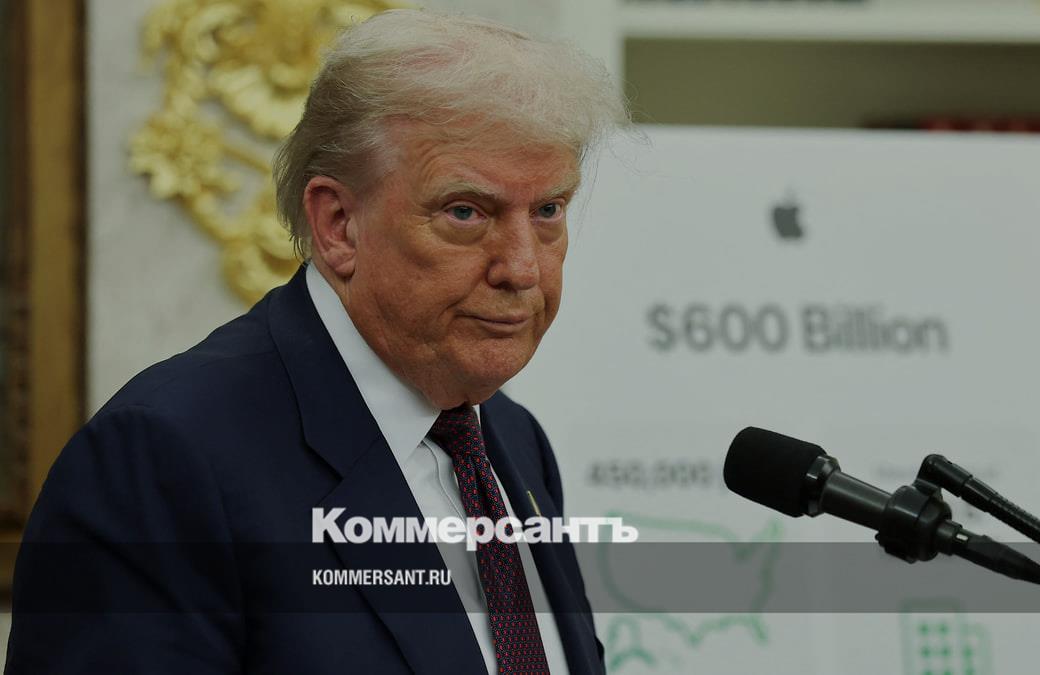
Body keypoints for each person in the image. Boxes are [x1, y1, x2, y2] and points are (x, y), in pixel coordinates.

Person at [6, 9, 626, 674]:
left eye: (548, 211)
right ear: (337, 225)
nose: (523, 269)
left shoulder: (510, 438)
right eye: (466, 212)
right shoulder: (164, 459)